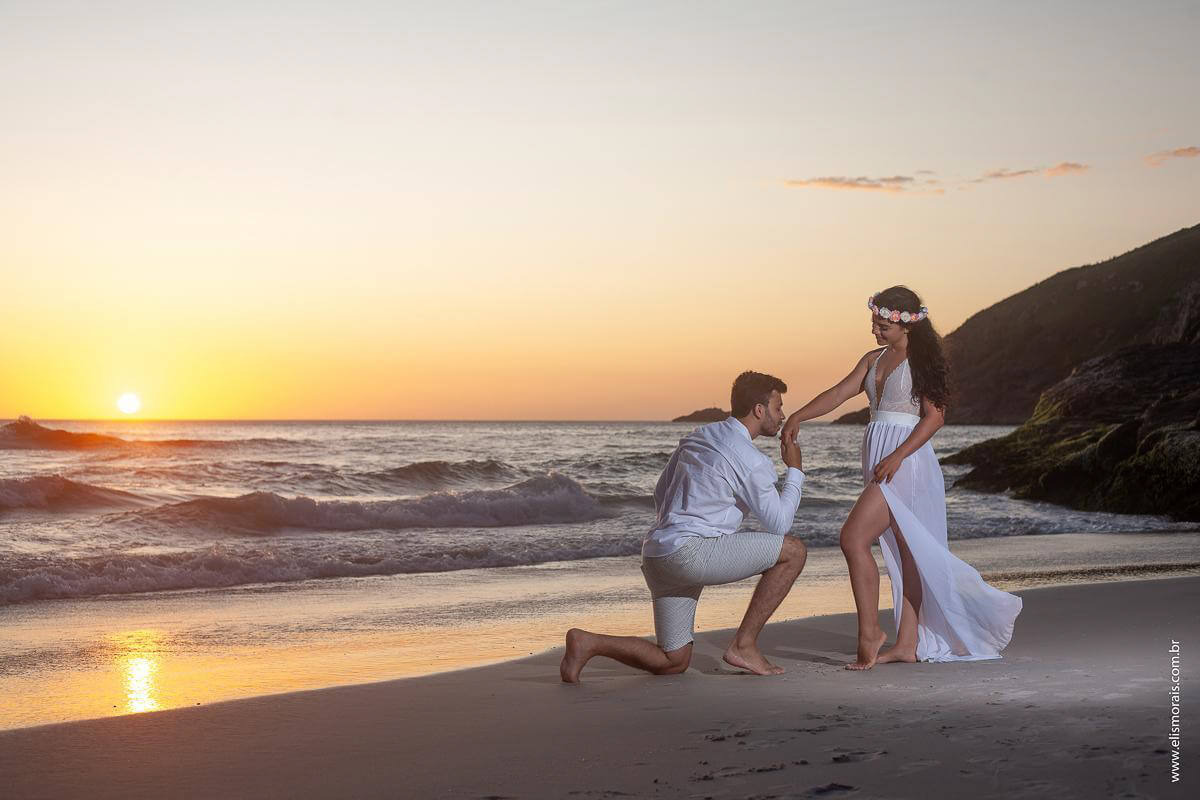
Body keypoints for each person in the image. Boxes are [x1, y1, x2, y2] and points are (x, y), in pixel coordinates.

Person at [781, 286, 1022, 669]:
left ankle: (870, 633)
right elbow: (840, 393)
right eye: (873, 324)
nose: (874, 331)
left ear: (905, 324)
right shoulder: (872, 359)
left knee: (853, 538)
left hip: (907, 461)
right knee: (908, 552)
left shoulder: (922, 361)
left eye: (882, 326)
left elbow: (935, 417)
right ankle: (907, 644)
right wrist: (798, 416)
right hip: (882, 456)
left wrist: (897, 455)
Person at [560, 371, 809, 682]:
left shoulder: (699, 436)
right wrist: (795, 470)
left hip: (658, 554)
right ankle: (744, 645)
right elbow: (779, 524)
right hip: (690, 554)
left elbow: (660, 492)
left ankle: (587, 643)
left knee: (673, 660)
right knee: (793, 552)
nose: (782, 415)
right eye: (778, 407)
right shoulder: (750, 458)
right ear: (759, 410)